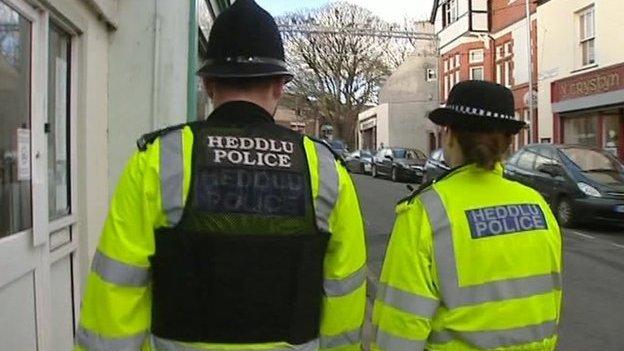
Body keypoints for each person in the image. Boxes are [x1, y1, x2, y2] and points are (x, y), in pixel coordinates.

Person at [75, 1, 366, 350]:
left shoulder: (158, 161)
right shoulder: (325, 170)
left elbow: (114, 297)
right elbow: (344, 296)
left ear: (210, 84)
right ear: (279, 86)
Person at [372, 81, 562, 351]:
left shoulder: (425, 212)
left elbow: (400, 326)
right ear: (508, 142)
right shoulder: (537, 206)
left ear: (449, 135)